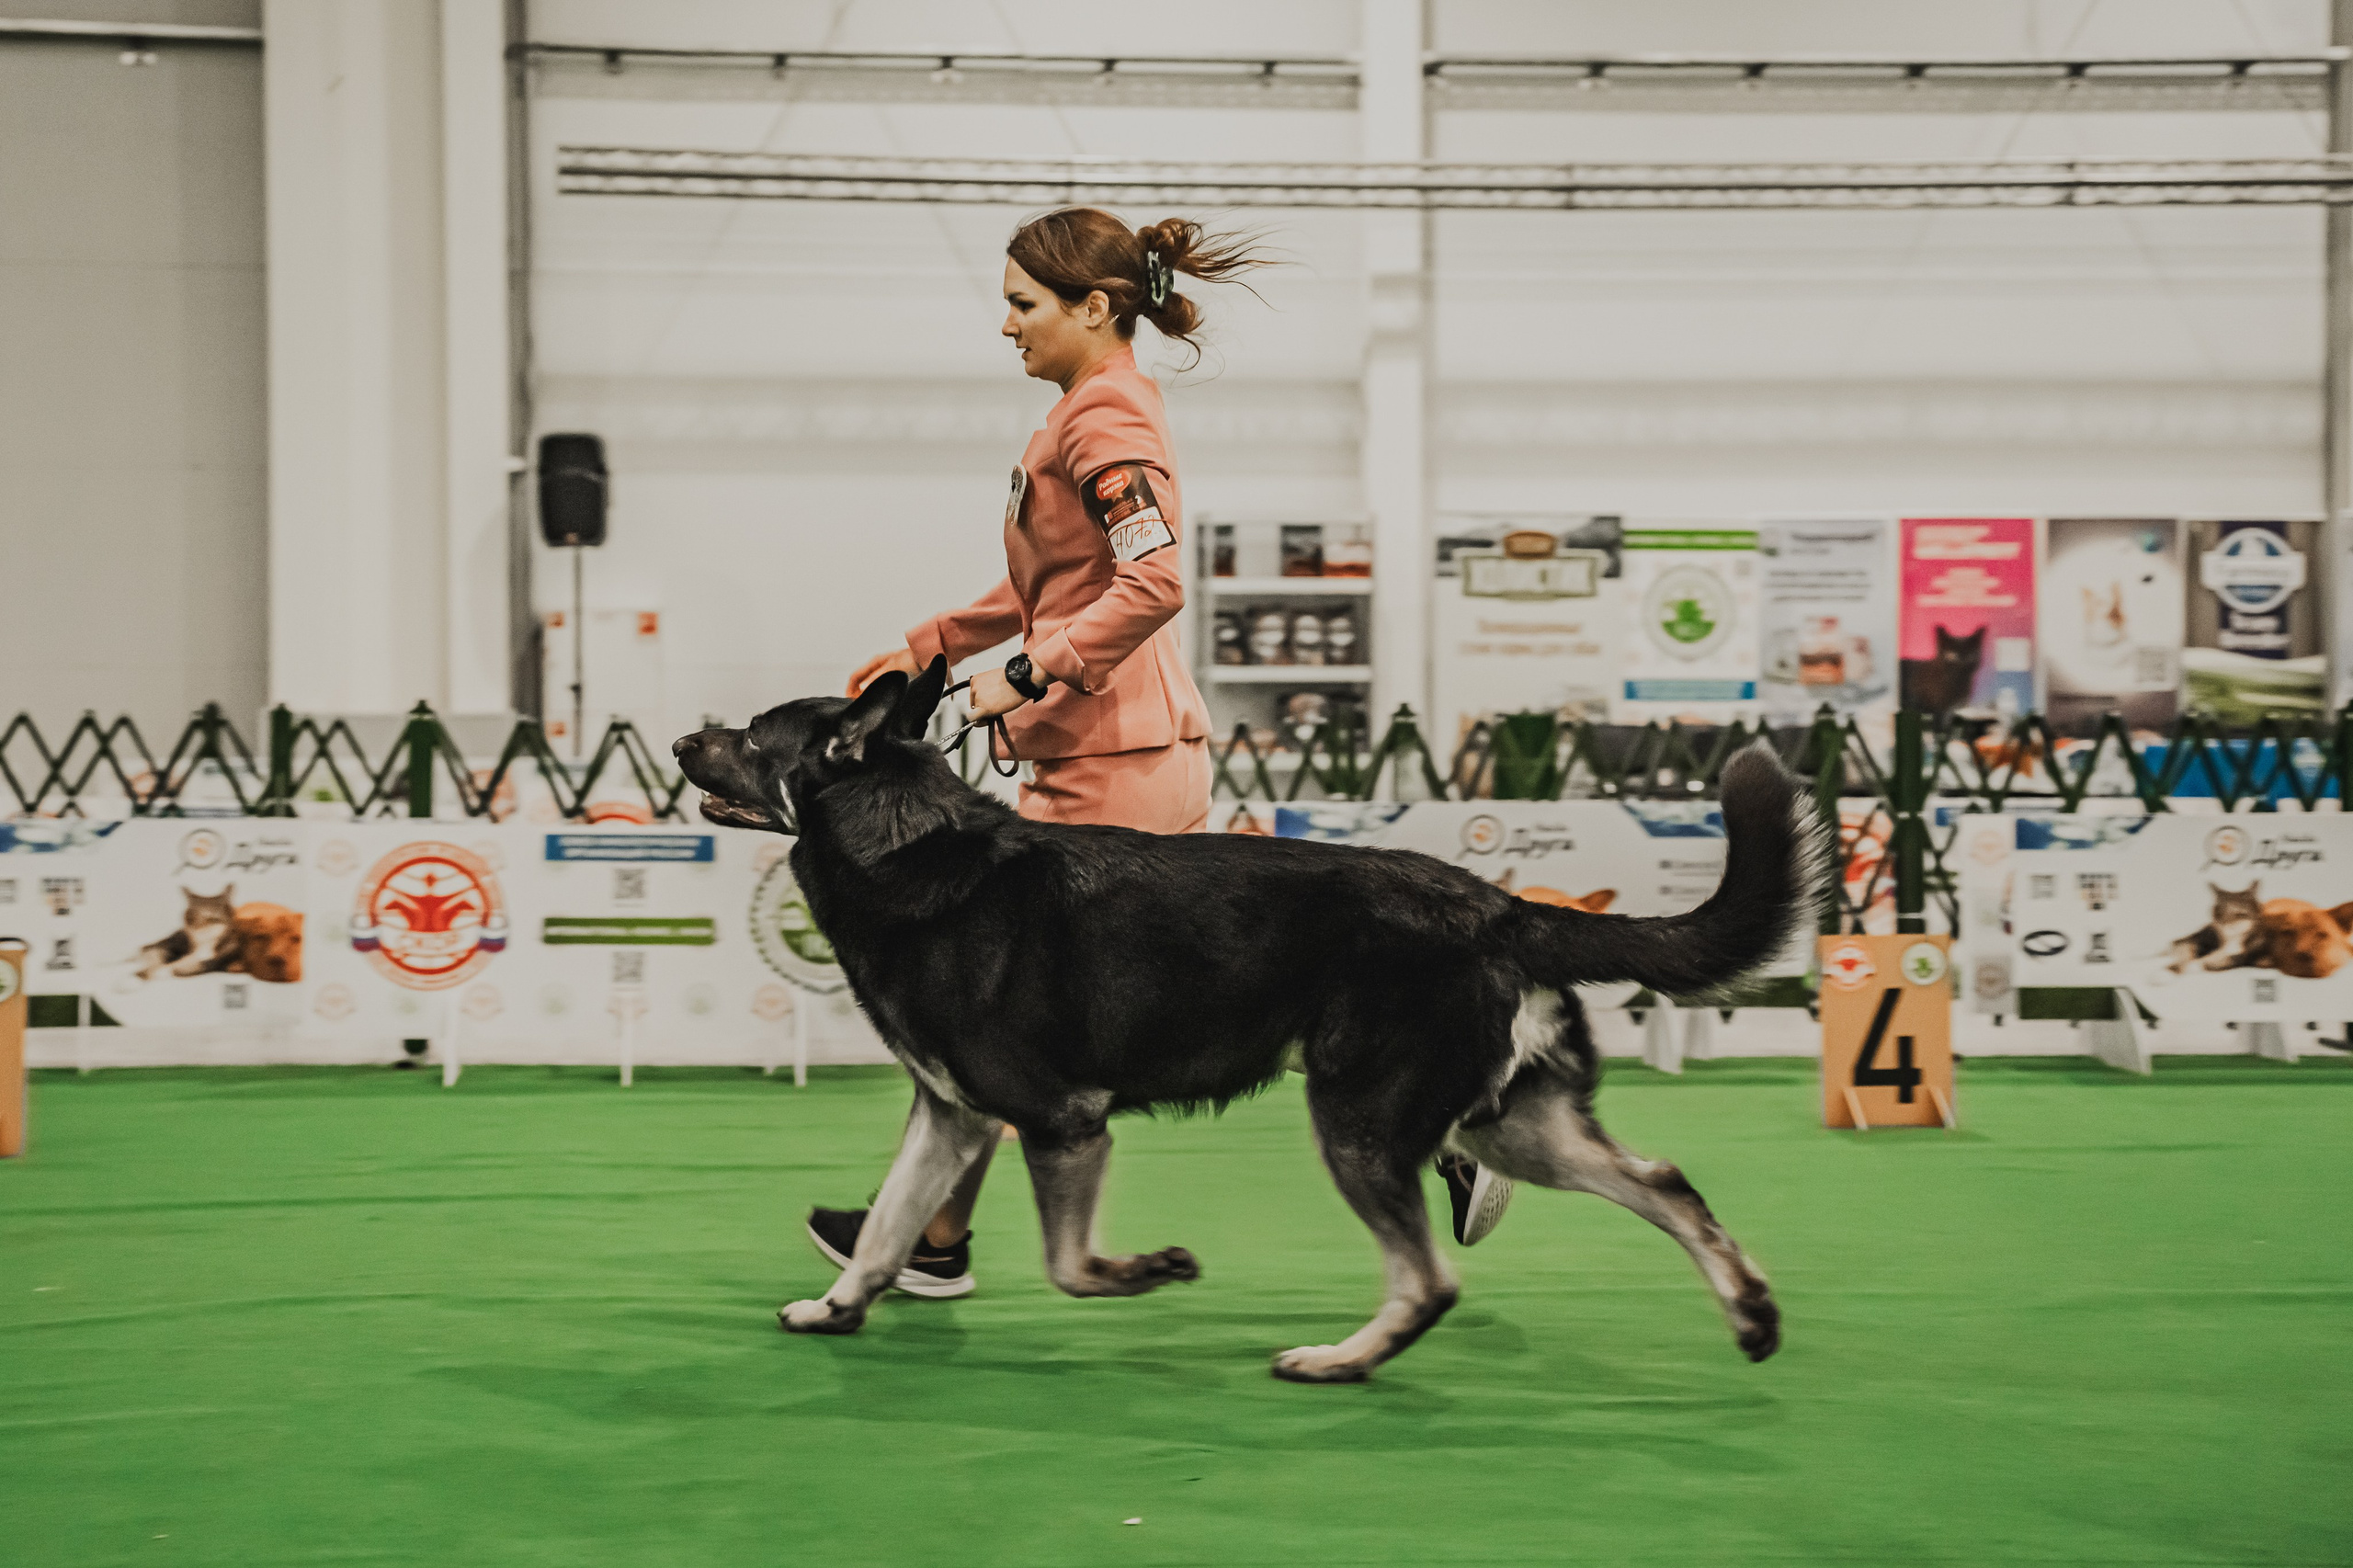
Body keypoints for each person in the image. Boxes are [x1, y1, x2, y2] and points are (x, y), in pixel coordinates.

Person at [803, 208, 1512, 1299]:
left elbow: (1154, 582)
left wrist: (1030, 674)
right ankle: (934, 1237)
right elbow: (1053, 587)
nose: (1006, 327)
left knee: (1008, 1017)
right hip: (1105, 749)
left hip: (1112, 757)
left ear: (1095, 308)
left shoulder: (1105, 422)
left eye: (1022, 305)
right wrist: (934, 646)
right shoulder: (1085, 413)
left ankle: (935, 1240)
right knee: (1065, 1013)